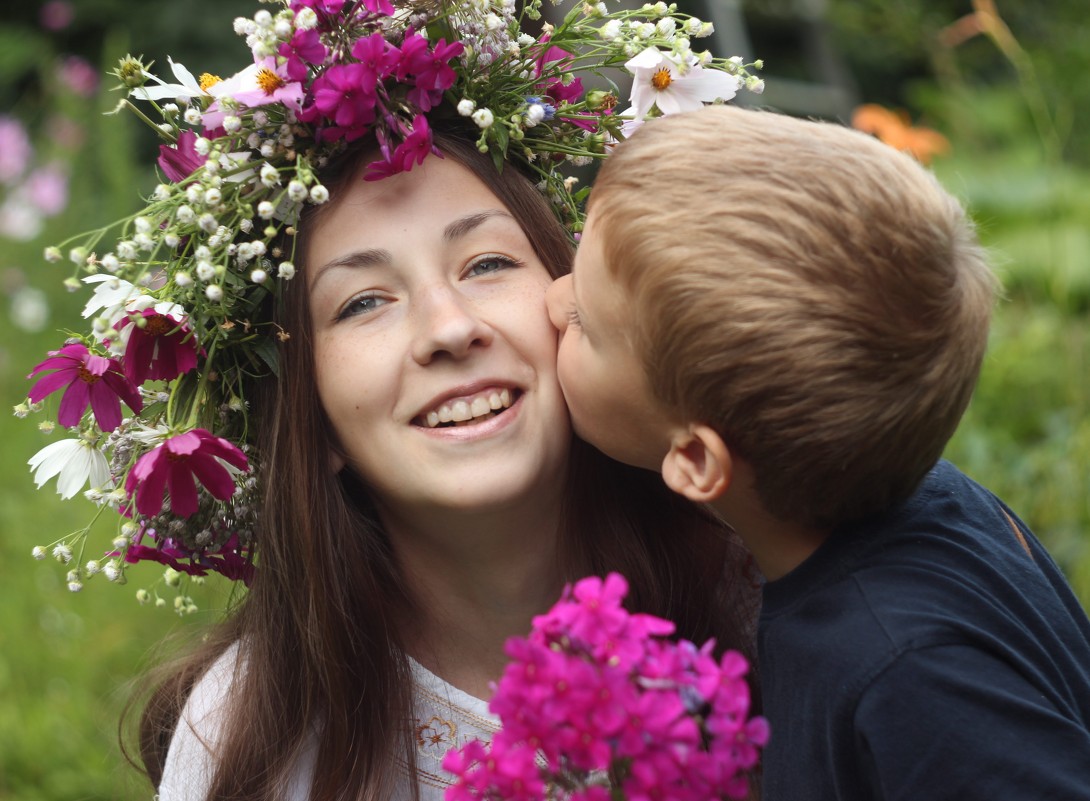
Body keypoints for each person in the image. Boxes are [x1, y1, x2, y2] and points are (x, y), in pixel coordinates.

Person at [546, 104, 1090, 800]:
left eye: (583, 324)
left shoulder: (910, 673)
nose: (551, 298)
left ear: (698, 462)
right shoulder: (925, 498)